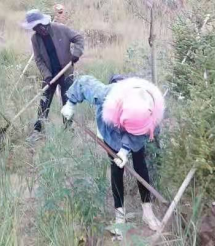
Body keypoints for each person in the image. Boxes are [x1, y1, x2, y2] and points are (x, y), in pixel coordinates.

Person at [61, 75, 164, 239]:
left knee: (140, 163)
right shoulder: (105, 95)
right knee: (117, 168)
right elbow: (82, 83)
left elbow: (139, 135)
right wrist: (70, 103)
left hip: (137, 127)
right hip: (111, 130)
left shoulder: (149, 107)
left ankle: (148, 212)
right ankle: (119, 218)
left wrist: (126, 149)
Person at [22, 9, 85, 137]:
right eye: (34, 28)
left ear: (44, 23)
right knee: (44, 101)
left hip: (66, 72)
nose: (38, 30)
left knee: (67, 100)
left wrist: (76, 54)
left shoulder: (60, 29)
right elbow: (38, 59)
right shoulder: (35, 38)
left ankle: (68, 129)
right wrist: (47, 75)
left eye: (39, 27)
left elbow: (79, 38)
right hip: (50, 75)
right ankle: (38, 130)